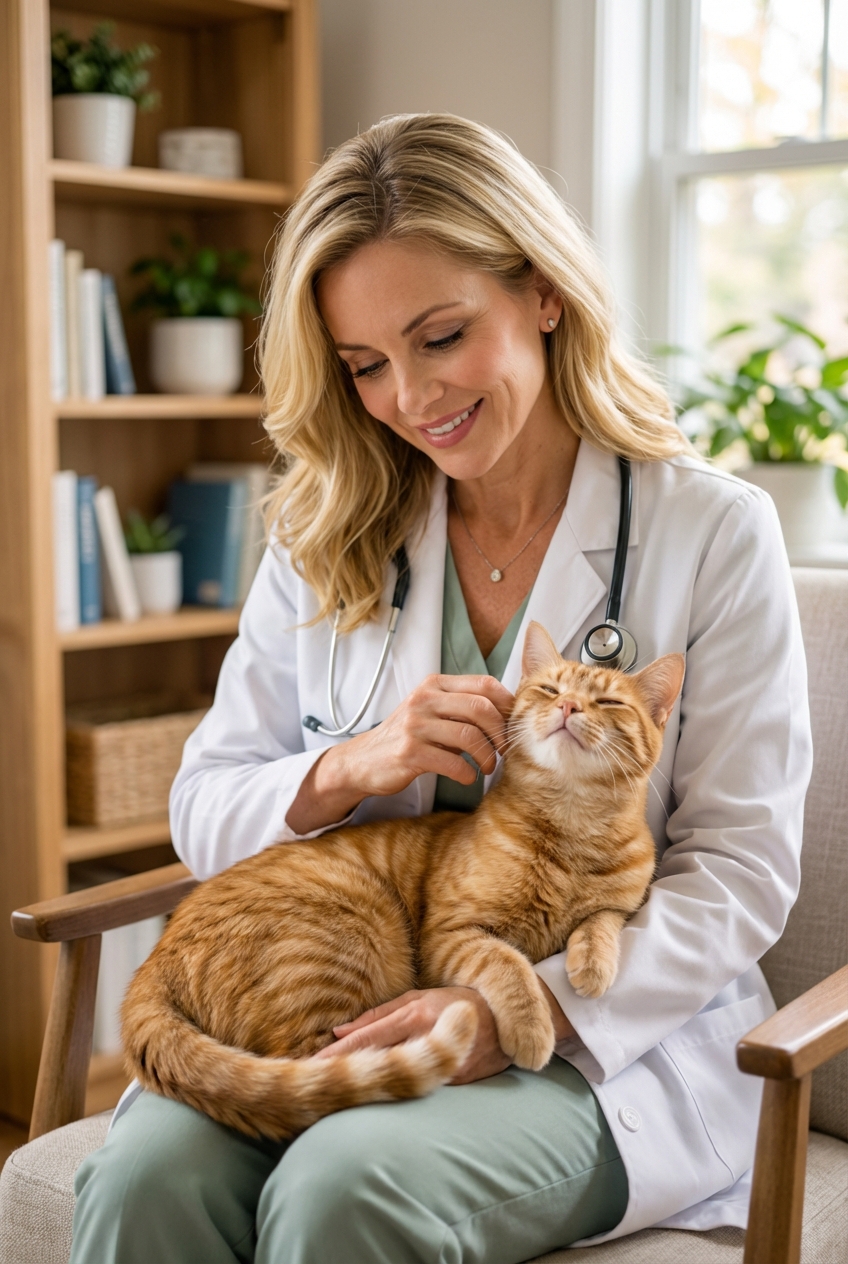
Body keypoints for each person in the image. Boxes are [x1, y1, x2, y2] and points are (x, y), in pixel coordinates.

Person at [70, 113, 811, 1264]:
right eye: (364, 364)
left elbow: (740, 865)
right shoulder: (325, 534)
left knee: (344, 1185)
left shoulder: (707, 531)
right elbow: (204, 804)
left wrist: (523, 1010)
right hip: (343, 977)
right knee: (143, 1179)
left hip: (604, 1036)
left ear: (544, 293)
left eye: (440, 336)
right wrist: (353, 762)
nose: (409, 397)